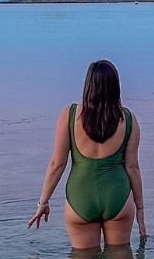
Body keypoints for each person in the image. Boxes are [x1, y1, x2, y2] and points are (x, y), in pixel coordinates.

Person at [28, 60, 145, 247]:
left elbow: (57, 164)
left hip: (80, 198)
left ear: (88, 85)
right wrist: (139, 208)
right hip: (118, 198)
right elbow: (133, 168)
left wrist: (43, 202)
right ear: (116, 87)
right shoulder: (128, 120)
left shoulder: (70, 115)